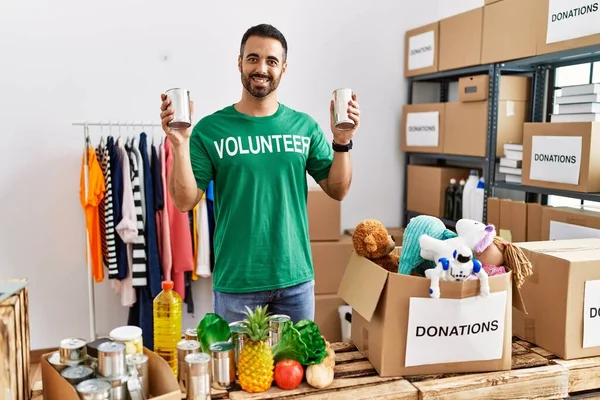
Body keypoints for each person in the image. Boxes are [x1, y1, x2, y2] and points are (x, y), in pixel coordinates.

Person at [159, 23, 360, 323]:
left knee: (299, 370)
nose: (261, 68)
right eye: (253, 58)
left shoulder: (304, 127)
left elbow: (338, 189)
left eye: (271, 61)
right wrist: (180, 143)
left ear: (283, 68)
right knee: (238, 372)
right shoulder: (210, 130)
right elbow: (185, 201)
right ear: (239, 62)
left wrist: (342, 143)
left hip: (295, 282)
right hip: (237, 286)